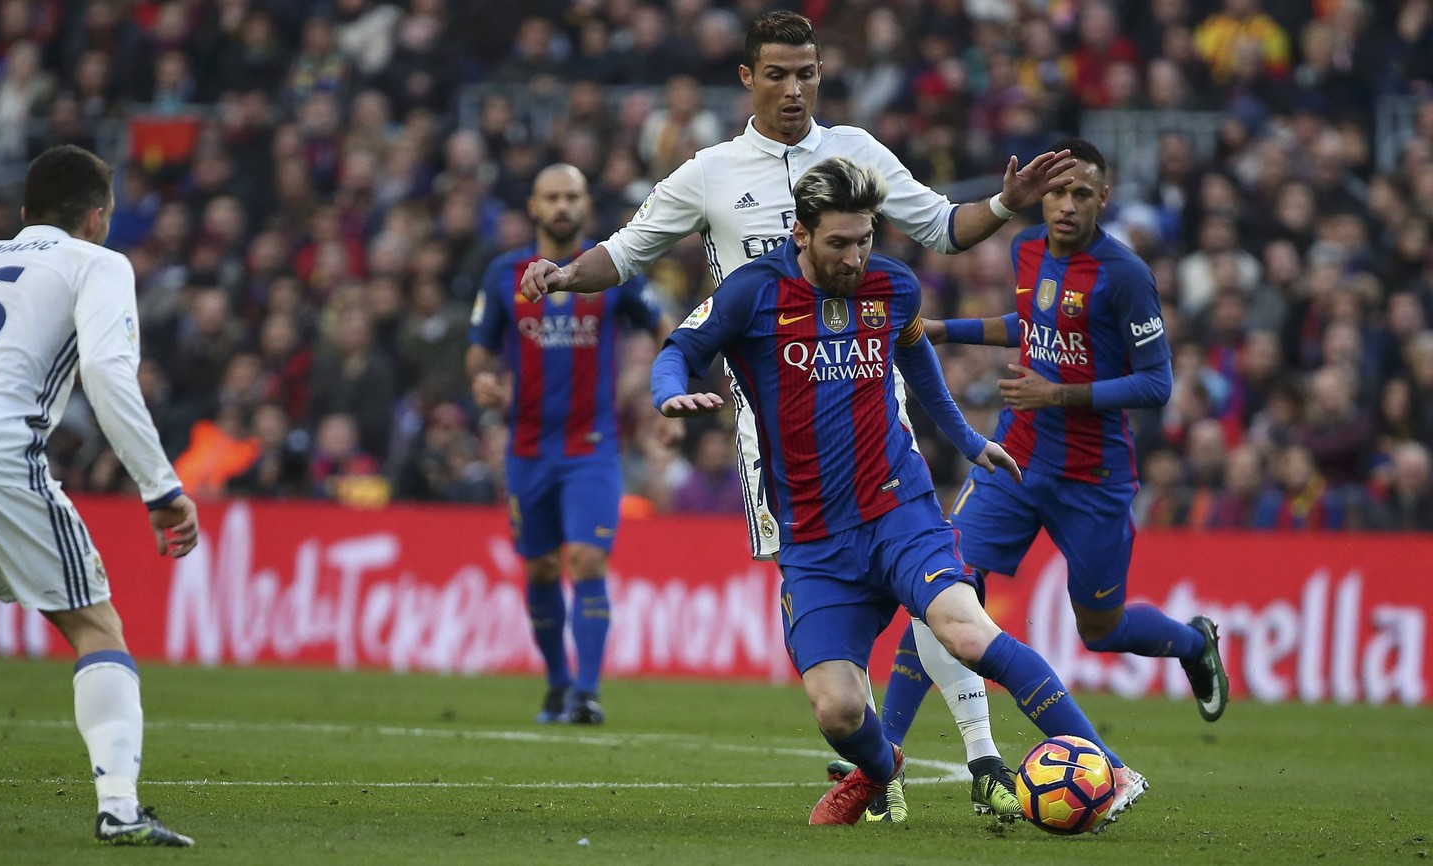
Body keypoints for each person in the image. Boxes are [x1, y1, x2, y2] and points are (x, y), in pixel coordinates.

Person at [521, 10, 1076, 821]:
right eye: (777, 73)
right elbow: (631, 247)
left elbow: (942, 229)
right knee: (840, 662)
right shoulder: (710, 171)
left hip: (868, 407)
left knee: (937, 595)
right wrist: (565, 276)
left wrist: (1006, 202)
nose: (794, 88)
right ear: (747, 78)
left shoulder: (857, 151)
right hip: (772, 439)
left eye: (807, 73)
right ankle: (884, 766)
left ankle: (982, 752)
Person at [651, 156, 1144, 827]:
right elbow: (677, 348)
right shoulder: (751, 294)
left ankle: (1106, 766)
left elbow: (916, 357)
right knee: (838, 709)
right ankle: (881, 768)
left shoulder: (892, 286)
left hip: (897, 509)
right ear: (800, 233)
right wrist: (670, 391)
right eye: (838, 244)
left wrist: (968, 441)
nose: (855, 258)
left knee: (967, 630)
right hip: (816, 541)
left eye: (864, 240)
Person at [0, 145, 199, 847]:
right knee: (96, 627)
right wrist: (161, 487)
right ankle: (120, 809)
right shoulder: (96, 263)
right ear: (96, 217)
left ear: (25, 212)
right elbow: (106, 370)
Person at [920, 137, 1229, 728]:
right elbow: (1030, 323)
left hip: (1092, 473)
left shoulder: (1126, 274)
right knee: (944, 585)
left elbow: (1156, 384)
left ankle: (1193, 644)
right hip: (1016, 458)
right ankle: (888, 757)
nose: (1066, 204)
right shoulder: (1028, 247)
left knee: (1101, 629)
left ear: (1103, 199)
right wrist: (944, 329)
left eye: (1081, 193)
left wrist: (1057, 394)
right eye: (1057, 191)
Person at [467, 163, 676, 725]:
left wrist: (667, 391)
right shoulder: (502, 274)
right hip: (527, 448)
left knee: (585, 558)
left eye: (572, 197)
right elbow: (480, 349)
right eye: (551, 197)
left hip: (593, 449)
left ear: (586, 205)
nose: (562, 206)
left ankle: (586, 692)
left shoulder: (612, 271)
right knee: (538, 569)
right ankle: (558, 683)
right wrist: (483, 381)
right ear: (533, 207)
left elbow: (665, 328)